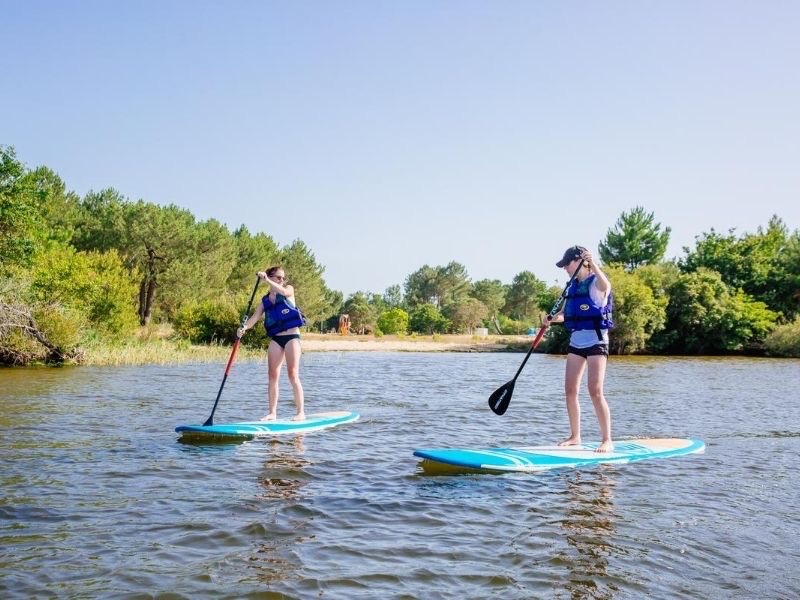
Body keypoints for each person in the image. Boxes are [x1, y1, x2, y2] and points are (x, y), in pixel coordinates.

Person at [546, 245, 614, 453]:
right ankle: (575, 436)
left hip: (596, 341)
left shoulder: (595, 282)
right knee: (570, 391)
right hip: (577, 341)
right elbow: (566, 314)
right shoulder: (572, 286)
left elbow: (606, 285)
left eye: (567, 264)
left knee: (594, 391)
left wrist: (593, 262)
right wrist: (551, 319)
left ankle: (607, 440)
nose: (565, 268)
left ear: (577, 262)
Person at [237, 266, 306, 421]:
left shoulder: (288, 289)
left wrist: (267, 280)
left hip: (292, 337)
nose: (282, 280)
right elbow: (254, 319)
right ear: (271, 277)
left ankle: (300, 412)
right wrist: (243, 328)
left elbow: (284, 292)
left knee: (292, 374)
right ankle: (272, 413)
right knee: (272, 375)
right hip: (276, 338)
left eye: (283, 278)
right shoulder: (265, 300)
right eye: (278, 278)